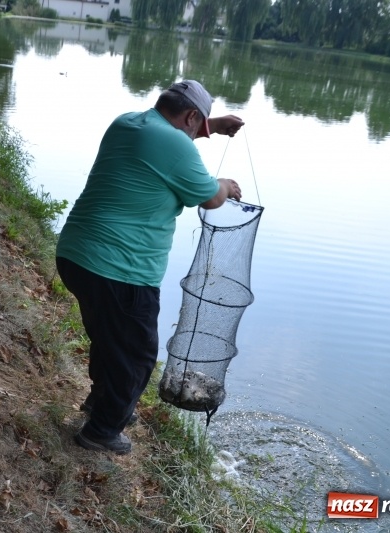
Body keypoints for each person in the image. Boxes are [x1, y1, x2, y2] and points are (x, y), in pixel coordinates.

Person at [56, 80, 244, 455]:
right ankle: (101, 431)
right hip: (120, 268)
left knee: (111, 341)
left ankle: (100, 404)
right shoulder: (176, 145)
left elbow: (172, 143)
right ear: (190, 117)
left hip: (77, 255)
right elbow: (210, 198)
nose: (198, 133)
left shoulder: (127, 122)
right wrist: (224, 184)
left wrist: (212, 125)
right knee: (138, 355)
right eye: (199, 125)